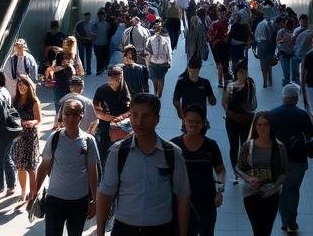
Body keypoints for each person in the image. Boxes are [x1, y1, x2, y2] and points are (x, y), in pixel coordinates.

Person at [95, 93, 191, 236]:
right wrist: (100, 232)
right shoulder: (118, 152)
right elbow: (105, 194)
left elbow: (183, 197)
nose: (139, 122)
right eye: (134, 115)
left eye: (146, 116)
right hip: (124, 229)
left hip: (161, 230)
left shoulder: (172, 154)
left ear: (157, 119)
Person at [29, 98, 101, 236]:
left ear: (81, 116)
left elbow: (93, 171)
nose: (70, 118)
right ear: (61, 115)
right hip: (54, 200)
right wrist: (35, 192)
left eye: (75, 114)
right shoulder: (54, 138)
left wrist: (94, 200)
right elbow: (44, 166)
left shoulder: (88, 140)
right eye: (67, 114)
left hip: (79, 200)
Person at [266, 83, 313, 233]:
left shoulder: (272, 114)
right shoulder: (301, 115)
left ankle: (284, 220)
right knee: (293, 189)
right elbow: (311, 134)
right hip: (298, 159)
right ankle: (291, 221)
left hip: (277, 159)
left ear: (283, 98)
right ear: (295, 99)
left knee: (281, 189)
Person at [170, 106, 224, 236]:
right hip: (182, 201)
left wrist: (219, 191)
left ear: (203, 123)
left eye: (197, 122)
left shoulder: (211, 145)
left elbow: (220, 170)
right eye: (190, 121)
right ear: (184, 121)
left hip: (206, 201)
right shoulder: (174, 145)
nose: (193, 125)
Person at [237, 112, 287, 236]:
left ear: (271, 126)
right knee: (257, 229)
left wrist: (274, 187)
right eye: (259, 125)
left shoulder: (279, 147)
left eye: (265, 124)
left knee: (266, 229)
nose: (262, 128)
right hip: (251, 193)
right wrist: (248, 178)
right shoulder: (248, 146)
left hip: (271, 194)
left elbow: (285, 172)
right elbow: (238, 167)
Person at [10, 74, 43, 204]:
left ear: (29, 86)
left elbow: (39, 120)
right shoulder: (15, 100)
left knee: (31, 166)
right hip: (18, 137)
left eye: (24, 84)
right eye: (19, 84)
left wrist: (30, 123)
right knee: (20, 166)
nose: (21, 87)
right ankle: (23, 192)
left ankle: (33, 193)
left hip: (30, 136)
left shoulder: (34, 101)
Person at [222, 62, 257, 171]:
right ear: (236, 73)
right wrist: (233, 115)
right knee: (234, 146)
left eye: (245, 71)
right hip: (232, 120)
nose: (243, 74)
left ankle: (242, 166)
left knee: (245, 145)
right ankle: (235, 168)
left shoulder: (250, 85)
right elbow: (224, 103)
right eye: (240, 71)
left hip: (246, 120)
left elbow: (254, 104)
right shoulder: (230, 85)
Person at [93, 66, 131, 154]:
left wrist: (121, 118)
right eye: (109, 79)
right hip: (105, 128)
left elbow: (132, 110)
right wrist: (106, 117)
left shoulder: (126, 91)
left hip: (123, 129)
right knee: (104, 152)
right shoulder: (101, 90)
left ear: (119, 79)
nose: (109, 82)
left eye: (113, 79)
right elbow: (95, 109)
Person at [172, 58, 217, 123]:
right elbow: (175, 99)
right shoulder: (181, 83)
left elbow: (213, 102)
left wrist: (212, 99)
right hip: (187, 117)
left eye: (195, 71)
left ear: (199, 70)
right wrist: (179, 110)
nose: (194, 73)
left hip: (200, 117)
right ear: (188, 69)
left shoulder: (205, 83)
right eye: (192, 71)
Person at [144, 23, 173, 95]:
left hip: (154, 62)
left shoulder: (150, 39)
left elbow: (147, 51)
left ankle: (156, 93)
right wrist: (170, 61)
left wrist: (147, 62)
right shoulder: (166, 39)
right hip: (162, 62)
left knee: (155, 79)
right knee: (161, 78)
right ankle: (158, 94)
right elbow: (168, 51)